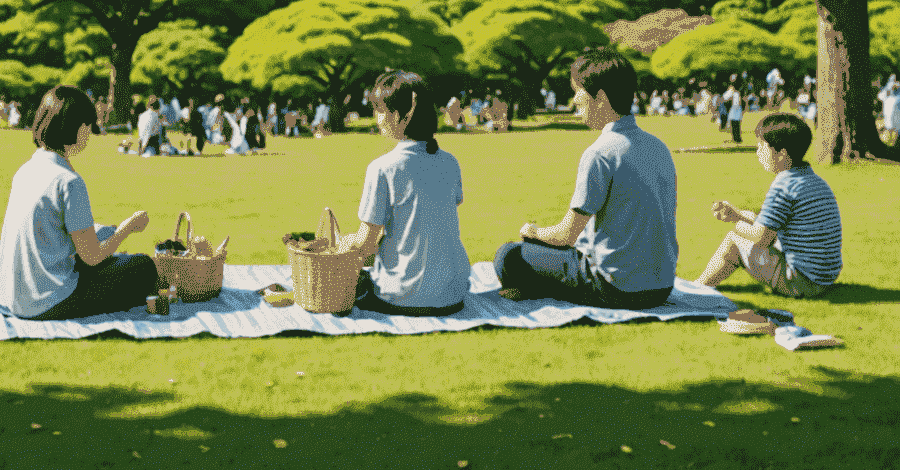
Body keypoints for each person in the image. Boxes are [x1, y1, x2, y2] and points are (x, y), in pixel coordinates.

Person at [493, 46, 677, 310]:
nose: (575, 101)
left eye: (577, 91)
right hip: (660, 287)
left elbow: (565, 236)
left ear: (599, 96)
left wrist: (533, 232)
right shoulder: (658, 147)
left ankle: (536, 287)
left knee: (508, 256)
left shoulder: (599, 153)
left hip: (615, 288)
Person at [0, 85, 155, 320]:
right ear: (77, 128)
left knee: (103, 235)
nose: (89, 133)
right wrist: (126, 229)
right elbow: (91, 257)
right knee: (142, 267)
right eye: (88, 126)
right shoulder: (68, 181)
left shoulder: (25, 170)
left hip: (9, 295)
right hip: (48, 300)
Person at [344, 71, 471, 316]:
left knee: (355, 282)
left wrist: (340, 243)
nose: (376, 118)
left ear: (402, 116)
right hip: (452, 294)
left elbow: (365, 245)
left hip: (401, 296)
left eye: (381, 110)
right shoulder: (450, 162)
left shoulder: (382, 168)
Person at [696, 111, 843, 297]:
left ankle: (698, 287)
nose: (758, 152)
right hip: (825, 277)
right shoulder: (813, 180)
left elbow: (763, 239)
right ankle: (701, 285)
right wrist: (738, 215)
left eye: (761, 146)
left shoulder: (783, 185)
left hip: (802, 281)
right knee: (749, 219)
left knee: (735, 239)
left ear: (781, 154)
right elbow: (771, 228)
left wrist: (737, 224)